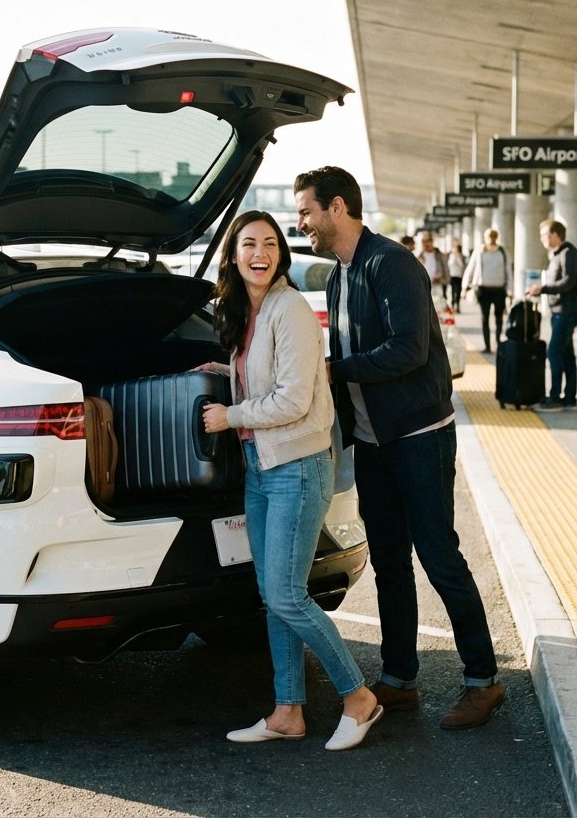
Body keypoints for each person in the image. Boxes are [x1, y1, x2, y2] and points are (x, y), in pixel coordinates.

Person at [293, 166, 504, 731]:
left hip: (418, 437)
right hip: (374, 442)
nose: (302, 222)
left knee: (439, 556)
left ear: (337, 207)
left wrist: (334, 369)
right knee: (389, 562)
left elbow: (408, 349)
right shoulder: (337, 276)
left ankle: (483, 680)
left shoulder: (393, 264)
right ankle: (399, 677)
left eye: (306, 212)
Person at [197, 209, 382, 752]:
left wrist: (229, 416)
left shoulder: (291, 309)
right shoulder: (247, 314)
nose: (261, 253)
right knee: (271, 595)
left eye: (271, 243)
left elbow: (295, 398)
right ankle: (287, 712)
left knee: (285, 593)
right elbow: (263, 379)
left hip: (298, 468)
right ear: (233, 254)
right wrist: (220, 376)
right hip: (262, 469)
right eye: (249, 243)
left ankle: (358, 697)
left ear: (281, 253)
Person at [527, 219, 577, 410]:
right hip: (560, 310)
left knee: (554, 351)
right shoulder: (557, 254)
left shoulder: (567, 253)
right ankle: (570, 397)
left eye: (545, 234)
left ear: (556, 234)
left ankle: (555, 396)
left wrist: (543, 289)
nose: (542, 238)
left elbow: (568, 282)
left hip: (566, 311)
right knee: (566, 354)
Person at [461, 228, 512, 353]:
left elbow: (508, 271)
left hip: (499, 289)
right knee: (485, 318)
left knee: (499, 317)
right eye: (489, 236)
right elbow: (470, 268)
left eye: (493, 236)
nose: (491, 238)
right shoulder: (479, 251)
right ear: (485, 238)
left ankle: (498, 342)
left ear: (497, 237)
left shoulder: (502, 252)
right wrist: (464, 287)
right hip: (484, 289)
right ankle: (487, 346)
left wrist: (510, 290)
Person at [416, 231, 448, 304]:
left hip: (437, 285)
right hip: (424, 287)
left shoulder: (439, 255)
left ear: (432, 241)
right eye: (423, 241)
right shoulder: (419, 256)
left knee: (438, 308)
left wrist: (440, 275)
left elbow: (445, 271)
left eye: (427, 241)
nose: (425, 244)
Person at [446, 238, 467, 312]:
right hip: (452, 275)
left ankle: (457, 304)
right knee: (452, 291)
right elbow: (449, 265)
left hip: (459, 276)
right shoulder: (450, 256)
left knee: (458, 291)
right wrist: (453, 257)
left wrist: (457, 258)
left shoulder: (462, 256)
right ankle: (452, 304)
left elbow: (462, 266)